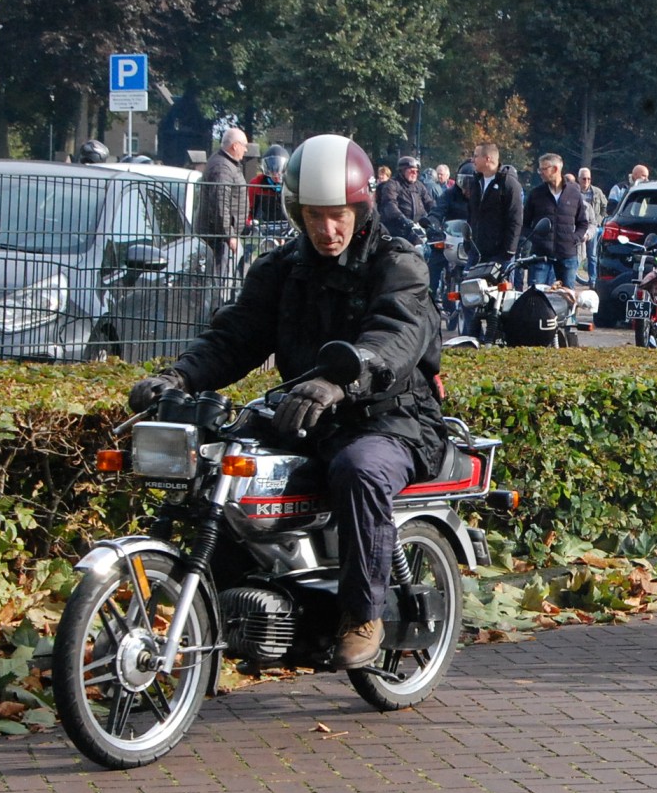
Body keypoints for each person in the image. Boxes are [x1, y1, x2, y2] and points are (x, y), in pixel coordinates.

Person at [126, 134, 449, 670]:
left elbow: (394, 337)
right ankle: (235, 608)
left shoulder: (397, 265)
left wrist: (340, 381)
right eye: (314, 215)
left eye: (338, 215)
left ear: (360, 208)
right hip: (304, 415)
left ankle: (362, 615)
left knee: (360, 470)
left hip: (391, 419)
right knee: (221, 464)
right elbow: (235, 337)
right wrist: (178, 376)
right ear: (297, 213)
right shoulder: (281, 269)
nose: (328, 229)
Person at [522, 153, 589, 286]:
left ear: (555, 169)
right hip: (541, 256)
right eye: (539, 169)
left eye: (544, 169)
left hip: (567, 256)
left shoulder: (574, 193)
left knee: (567, 295)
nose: (540, 173)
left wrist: (573, 239)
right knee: (535, 294)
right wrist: (536, 239)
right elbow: (524, 223)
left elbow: (582, 223)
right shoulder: (536, 194)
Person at [198, 127, 249, 275]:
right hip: (220, 238)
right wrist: (229, 235)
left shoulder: (226, 163)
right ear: (235, 146)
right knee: (221, 279)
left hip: (223, 235)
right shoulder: (223, 167)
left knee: (228, 276)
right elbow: (220, 204)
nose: (246, 150)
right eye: (244, 146)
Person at [467, 142, 523, 266]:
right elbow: (471, 214)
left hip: (500, 254)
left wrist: (509, 251)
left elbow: (515, 219)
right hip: (476, 251)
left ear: (487, 159)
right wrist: (468, 242)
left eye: (476, 156)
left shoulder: (509, 184)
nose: (472, 160)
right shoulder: (476, 182)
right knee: (467, 279)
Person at [376, 155, 438, 243]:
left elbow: (429, 202)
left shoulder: (419, 185)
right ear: (402, 170)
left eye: (416, 171)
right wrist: (403, 220)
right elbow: (390, 204)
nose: (415, 174)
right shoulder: (392, 184)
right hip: (397, 231)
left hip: (416, 230)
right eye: (412, 171)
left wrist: (436, 215)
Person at [577, 167, 608, 288]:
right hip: (577, 227)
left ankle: (593, 280)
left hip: (592, 226)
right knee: (575, 255)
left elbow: (605, 207)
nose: (586, 181)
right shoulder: (574, 191)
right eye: (584, 179)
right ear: (579, 179)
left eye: (588, 179)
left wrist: (598, 220)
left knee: (592, 255)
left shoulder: (597, 192)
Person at [248, 144, 290, 222]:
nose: (276, 174)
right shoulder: (257, 183)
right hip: (263, 225)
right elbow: (249, 210)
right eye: (272, 169)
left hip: (286, 225)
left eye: (280, 169)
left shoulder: (291, 183)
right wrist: (250, 223)